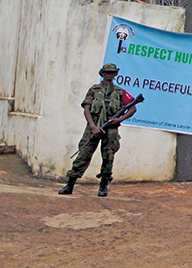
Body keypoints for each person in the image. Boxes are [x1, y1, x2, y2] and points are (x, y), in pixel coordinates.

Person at [58, 63, 138, 197]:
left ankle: (103, 185)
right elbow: (86, 109)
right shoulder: (94, 90)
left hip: (110, 129)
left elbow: (132, 108)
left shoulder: (120, 92)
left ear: (115, 74)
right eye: (107, 72)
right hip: (93, 127)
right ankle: (70, 184)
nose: (109, 75)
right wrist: (93, 126)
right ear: (102, 74)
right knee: (83, 154)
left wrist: (120, 119)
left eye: (112, 72)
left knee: (108, 157)